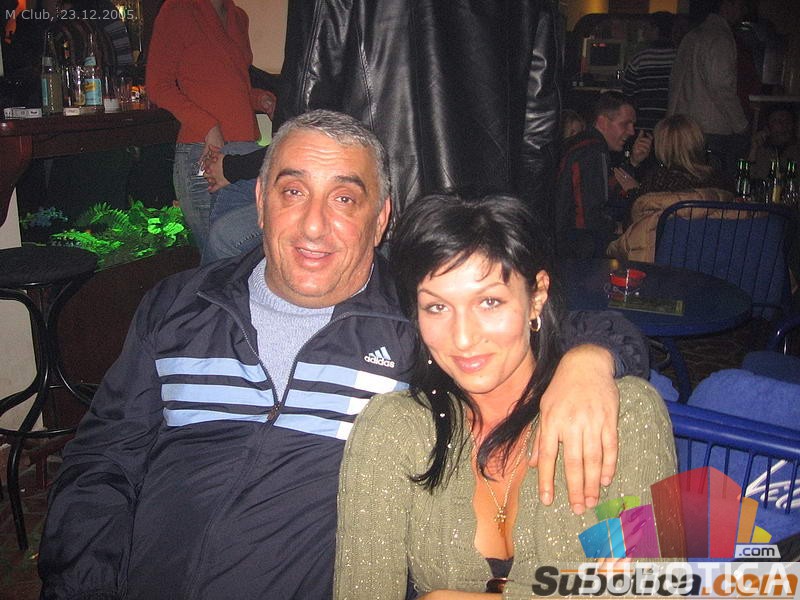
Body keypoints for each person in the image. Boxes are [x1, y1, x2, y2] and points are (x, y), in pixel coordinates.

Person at [38, 110, 651, 599]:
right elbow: (103, 461)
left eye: (344, 199)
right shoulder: (179, 304)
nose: (313, 225)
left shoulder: (419, 318)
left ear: (381, 220)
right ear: (260, 202)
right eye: (293, 191)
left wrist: (591, 358)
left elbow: (527, 326)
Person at [334, 193, 676, 598]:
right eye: (437, 307)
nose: (463, 338)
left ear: (537, 296)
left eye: (489, 302)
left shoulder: (622, 414)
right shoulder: (392, 429)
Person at [201, 0, 563, 263]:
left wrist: (242, 171)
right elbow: (539, 129)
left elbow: (306, 106)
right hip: (482, 215)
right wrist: (521, 231)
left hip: (374, 209)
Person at [146, 0, 275, 251]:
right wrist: (207, 126)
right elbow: (158, 86)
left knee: (246, 256)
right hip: (203, 151)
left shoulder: (238, 17)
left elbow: (235, 86)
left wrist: (262, 99)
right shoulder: (178, 9)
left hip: (244, 155)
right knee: (216, 258)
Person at [607, 114, 733, 262]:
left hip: (665, 258)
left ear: (662, 147)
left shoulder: (659, 180)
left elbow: (633, 225)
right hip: (711, 257)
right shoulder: (722, 181)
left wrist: (634, 192)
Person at [554, 92, 652, 258]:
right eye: (625, 124)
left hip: (568, 245)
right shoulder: (592, 151)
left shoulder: (585, 145)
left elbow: (603, 190)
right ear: (603, 122)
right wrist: (619, 227)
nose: (631, 131)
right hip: (578, 251)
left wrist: (633, 163)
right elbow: (588, 217)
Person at [668, 0, 750, 185]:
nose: (743, 11)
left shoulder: (693, 35)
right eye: (741, 6)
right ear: (728, 5)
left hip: (684, 126)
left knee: (685, 185)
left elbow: (675, 81)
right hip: (711, 129)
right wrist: (741, 124)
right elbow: (721, 85)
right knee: (714, 188)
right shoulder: (720, 37)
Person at [622, 12, 677, 133]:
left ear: (655, 29)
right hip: (671, 126)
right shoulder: (679, 58)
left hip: (643, 124)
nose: (643, 32)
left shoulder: (640, 59)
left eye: (646, 28)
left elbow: (627, 92)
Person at [748, 104, 800, 180]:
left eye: (788, 121)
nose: (784, 126)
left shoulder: (796, 151)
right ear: (767, 128)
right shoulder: (760, 151)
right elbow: (748, 178)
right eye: (778, 121)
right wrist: (753, 150)